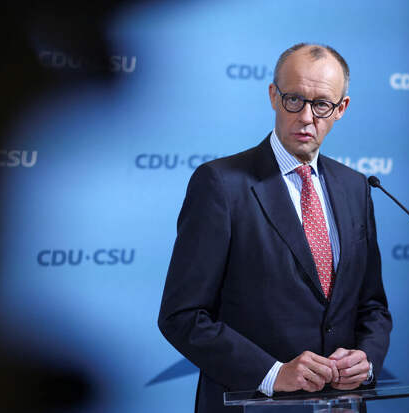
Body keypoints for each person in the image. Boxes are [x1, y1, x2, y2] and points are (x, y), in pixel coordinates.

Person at [158, 43, 392, 413]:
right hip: (252, 404)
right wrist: (272, 374)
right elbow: (182, 316)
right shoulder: (220, 184)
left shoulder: (356, 187)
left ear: (341, 108)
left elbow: (372, 305)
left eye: (322, 105)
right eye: (294, 100)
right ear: (273, 96)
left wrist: (366, 359)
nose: (306, 117)